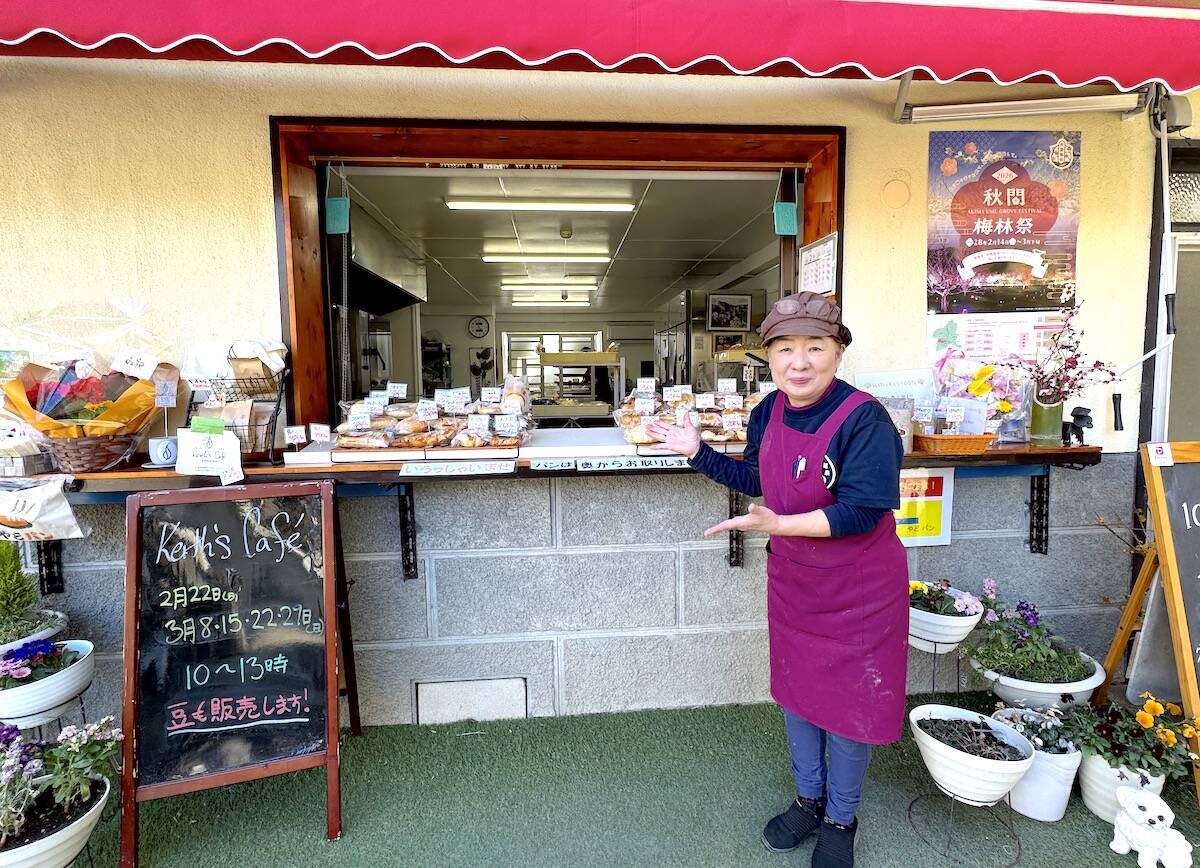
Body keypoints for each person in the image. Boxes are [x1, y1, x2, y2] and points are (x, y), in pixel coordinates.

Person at [647, 292, 907, 868]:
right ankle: (808, 799)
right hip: (796, 582)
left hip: (859, 589)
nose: (800, 362)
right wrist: (697, 452)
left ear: (837, 352)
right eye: (785, 349)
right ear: (769, 357)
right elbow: (755, 478)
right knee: (798, 693)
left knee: (849, 707)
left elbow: (863, 511)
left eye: (815, 347)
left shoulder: (865, 418)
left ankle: (841, 817)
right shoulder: (767, 410)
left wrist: (780, 525)